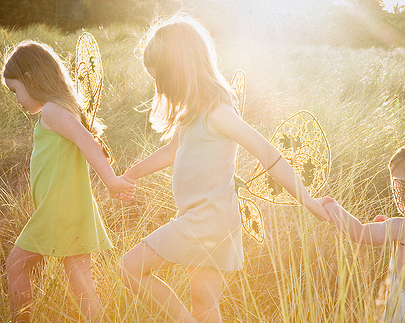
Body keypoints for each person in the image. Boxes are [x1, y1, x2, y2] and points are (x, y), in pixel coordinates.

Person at [117, 14, 330, 323]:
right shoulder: (193, 111)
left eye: (160, 80)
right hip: (202, 218)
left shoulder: (217, 111)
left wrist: (307, 199)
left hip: (208, 220)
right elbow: (171, 151)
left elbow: (267, 153)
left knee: (129, 267)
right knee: (205, 305)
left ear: (180, 69)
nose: (160, 90)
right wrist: (129, 175)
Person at [2, 40, 136, 322]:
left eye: (15, 91)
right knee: (80, 280)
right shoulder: (60, 107)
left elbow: (86, 141)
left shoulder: (52, 110)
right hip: (70, 209)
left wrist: (111, 181)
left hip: (57, 210)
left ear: (31, 78)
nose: (16, 100)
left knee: (15, 266)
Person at [317, 137, 405, 322]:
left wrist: (333, 208)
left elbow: (359, 233)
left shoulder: (401, 226)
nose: (395, 192)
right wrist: (392, 230)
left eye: (397, 185)